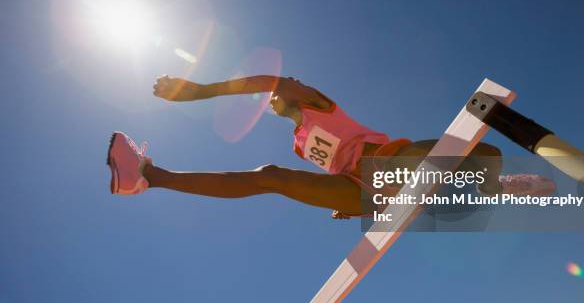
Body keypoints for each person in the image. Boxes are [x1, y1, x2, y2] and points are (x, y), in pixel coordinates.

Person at [107, 75, 554, 218]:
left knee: (487, 154)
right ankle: (148, 176)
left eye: (293, 83)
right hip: (365, 189)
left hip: (395, 161)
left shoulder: (319, 104)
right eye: (288, 86)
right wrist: (358, 207)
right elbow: (338, 175)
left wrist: (197, 91)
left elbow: (266, 79)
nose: (289, 84)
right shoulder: (299, 140)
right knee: (271, 177)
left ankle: (499, 186)